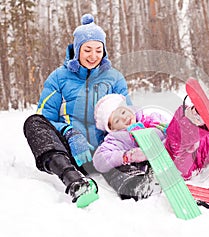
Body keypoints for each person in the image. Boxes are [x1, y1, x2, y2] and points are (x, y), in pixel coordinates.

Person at [23, 14, 132, 208]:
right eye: (87, 49)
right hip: (71, 154)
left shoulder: (114, 78)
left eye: (98, 50)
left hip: (105, 151)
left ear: (104, 51)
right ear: (77, 50)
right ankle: (74, 181)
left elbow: (128, 115)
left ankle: (133, 183)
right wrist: (70, 132)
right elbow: (45, 117)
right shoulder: (59, 78)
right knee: (33, 122)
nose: (93, 55)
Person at [93, 93, 209, 193]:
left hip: (194, 154)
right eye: (117, 120)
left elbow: (170, 128)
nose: (124, 117)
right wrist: (128, 156)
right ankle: (194, 116)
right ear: (111, 128)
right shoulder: (115, 139)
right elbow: (99, 160)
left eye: (123, 112)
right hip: (170, 166)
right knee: (174, 137)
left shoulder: (151, 119)